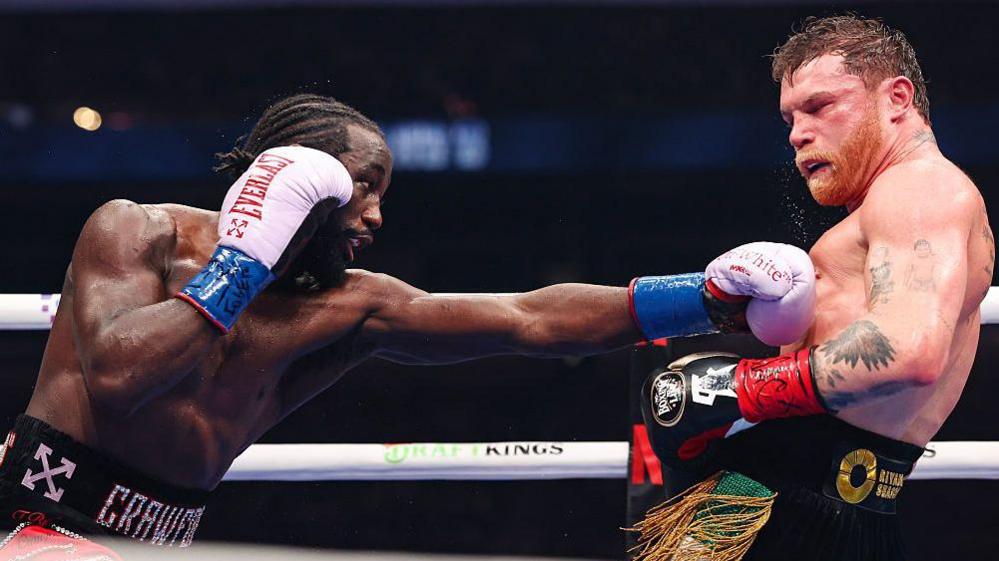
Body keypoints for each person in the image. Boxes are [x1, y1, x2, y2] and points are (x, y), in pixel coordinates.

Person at [0, 93, 814, 554]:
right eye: (364, 187)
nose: (376, 216)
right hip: (40, 523)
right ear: (302, 178)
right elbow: (120, 377)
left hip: (160, 542)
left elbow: (527, 318)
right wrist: (244, 261)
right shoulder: (135, 229)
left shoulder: (351, 304)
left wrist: (704, 298)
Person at [634, 15, 994, 561]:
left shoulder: (922, 189)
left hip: (802, 507)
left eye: (820, 106)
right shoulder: (887, 207)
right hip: (791, 497)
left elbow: (909, 350)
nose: (797, 133)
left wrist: (737, 387)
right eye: (790, 118)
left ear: (897, 98)